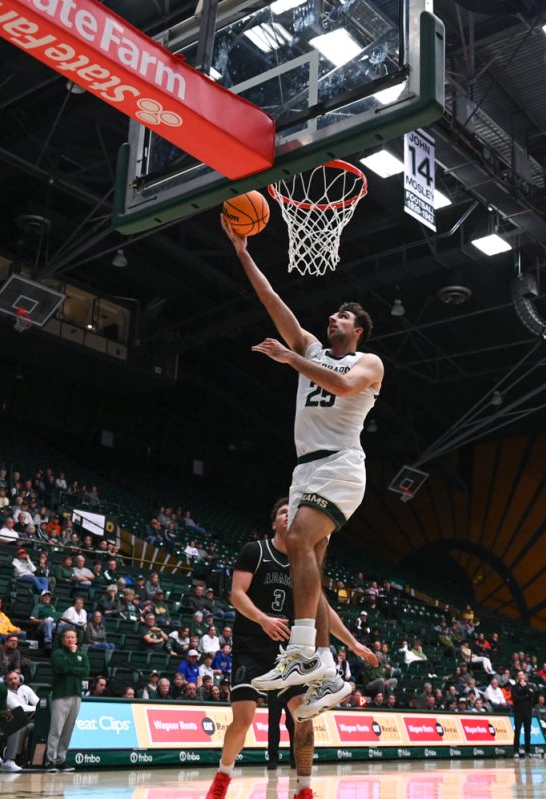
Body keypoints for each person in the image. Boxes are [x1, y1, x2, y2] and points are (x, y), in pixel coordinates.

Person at [226, 218, 382, 720]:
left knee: (295, 541)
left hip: (341, 464)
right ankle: (329, 671)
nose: (332, 318)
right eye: (332, 314)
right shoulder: (311, 347)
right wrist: (243, 251)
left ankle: (302, 651)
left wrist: (292, 360)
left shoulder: (369, 362)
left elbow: (340, 388)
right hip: (305, 472)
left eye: (342, 316)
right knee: (306, 563)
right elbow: (273, 300)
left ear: (355, 330)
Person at [206, 499, 375, 799]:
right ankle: (223, 775)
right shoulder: (255, 551)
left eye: (294, 514)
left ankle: (304, 790)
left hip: (289, 655)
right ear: (274, 522)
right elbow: (236, 594)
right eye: (284, 512)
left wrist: (352, 642)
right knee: (243, 719)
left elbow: (323, 609)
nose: (289, 517)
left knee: (304, 717)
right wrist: (263, 620)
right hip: (252, 648)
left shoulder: (303, 562)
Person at [46, 628, 87, 771]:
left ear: (76, 639)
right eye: (67, 637)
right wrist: (74, 662)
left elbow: (86, 671)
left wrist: (72, 667)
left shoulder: (82, 655)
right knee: (56, 729)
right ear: (63, 640)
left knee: (68, 730)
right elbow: (62, 667)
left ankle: (61, 760)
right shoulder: (58, 654)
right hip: (61, 695)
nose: (70, 640)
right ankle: (50, 760)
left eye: (73, 637)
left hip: (77, 696)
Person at [2, 668, 39, 770]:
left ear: (19, 678)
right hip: (12, 720)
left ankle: (34, 758)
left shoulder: (26, 689)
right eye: (10, 680)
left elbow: (38, 702)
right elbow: (18, 708)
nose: (13, 681)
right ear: (6, 681)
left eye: (15, 678)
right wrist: (37, 708)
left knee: (37, 727)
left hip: (29, 718)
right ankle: (17, 757)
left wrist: (38, 707)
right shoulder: (5, 692)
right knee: (23, 727)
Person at [510, 670, 535, 757]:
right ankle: (516, 750)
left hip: (528, 712)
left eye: (522, 675)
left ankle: (528, 751)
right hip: (518, 712)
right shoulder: (514, 687)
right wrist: (526, 696)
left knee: (527, 731)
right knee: (517, 731)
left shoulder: (530, 685)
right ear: (517, 677)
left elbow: (532, 695)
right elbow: (515, 698)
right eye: (519, 675)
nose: (521, 677)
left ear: (524, 676)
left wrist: (525, 688)